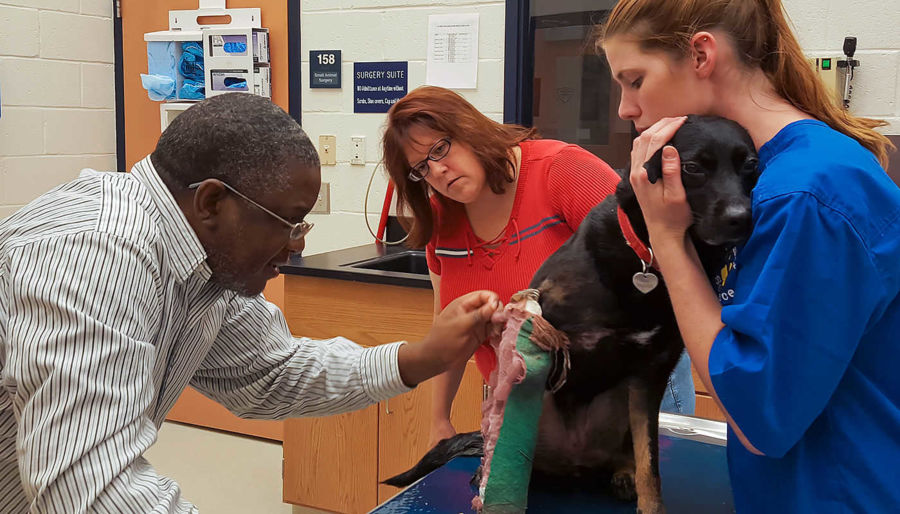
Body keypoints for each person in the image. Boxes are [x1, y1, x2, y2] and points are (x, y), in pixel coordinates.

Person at [0, 93, 503, 512]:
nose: (297, 243)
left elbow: (271, 374)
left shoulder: (207, 264)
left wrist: (419, 359)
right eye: (288, 221)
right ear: (213, 202)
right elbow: (90, 488)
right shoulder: (96, 252)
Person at [599, 0, 899, 511]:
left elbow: (760, 417)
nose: (626, 108)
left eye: (635, 80)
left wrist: (668, 241)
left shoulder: (806, 193)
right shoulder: (775, 176)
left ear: (701, 54)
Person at [381, 86, 696, 447]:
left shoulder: (562, 171)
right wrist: (439, 419)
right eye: (422, 168)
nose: (438, 170)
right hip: (532, 407)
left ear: (469, 128)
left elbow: (653, 269)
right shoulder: (442, 221)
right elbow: (450, 329)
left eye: (440, 148)